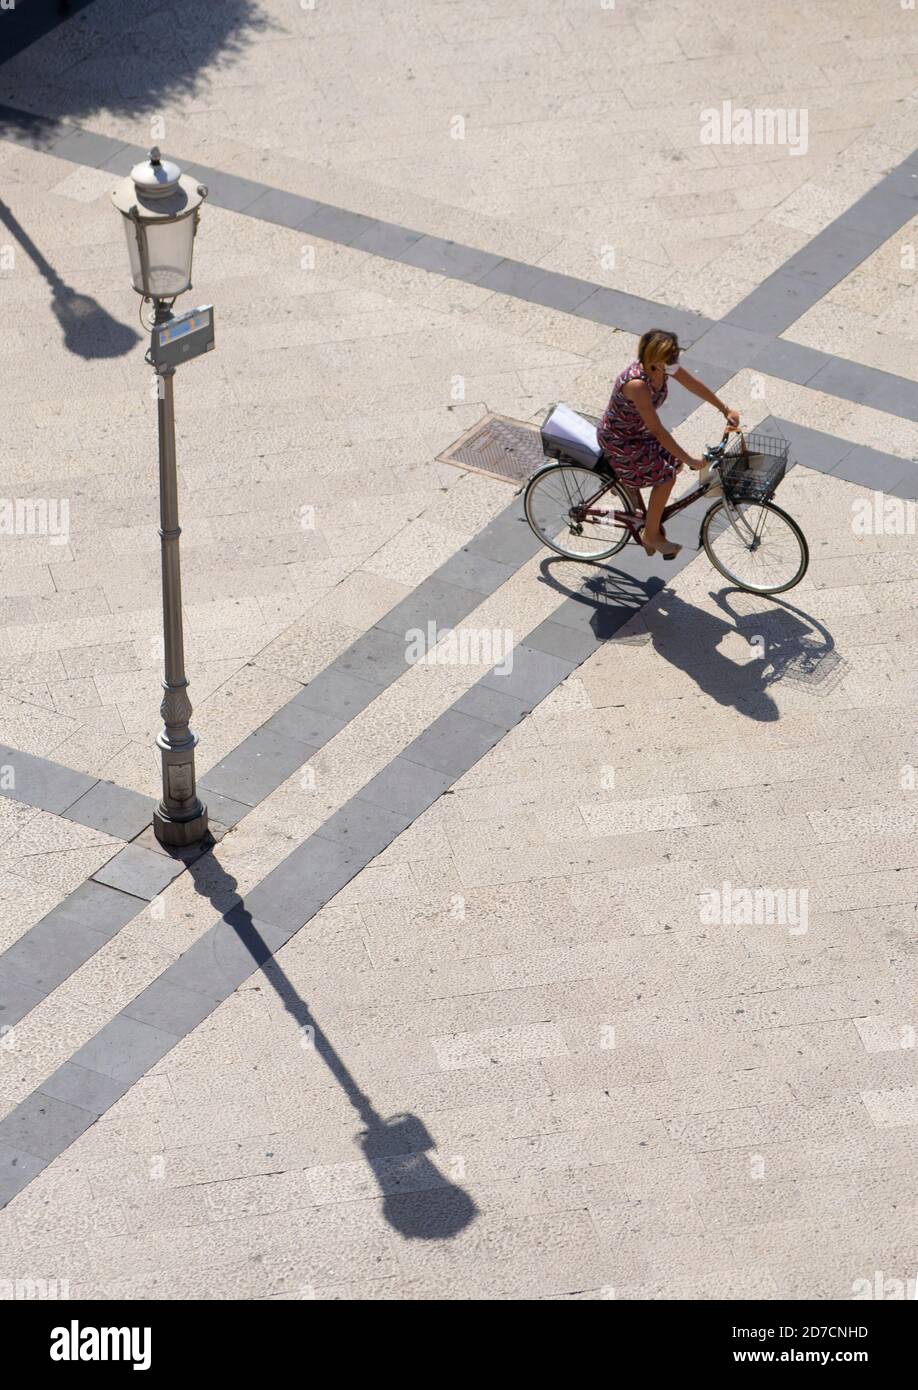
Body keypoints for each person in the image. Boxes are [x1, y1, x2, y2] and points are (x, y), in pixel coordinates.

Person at [597, 329, 740, 558]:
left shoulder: (663, 366)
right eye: (670, 358)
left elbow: (693, 384)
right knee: (666, 477)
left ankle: (628, 486)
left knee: (673, 462)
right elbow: (658, 431)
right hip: (621, 440)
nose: (675, 362)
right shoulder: (637, 385)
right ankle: (651, 535)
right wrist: (692, 460)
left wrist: (724, 408)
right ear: (655, 359)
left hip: (638, 432)